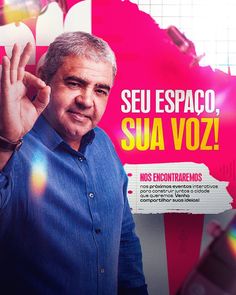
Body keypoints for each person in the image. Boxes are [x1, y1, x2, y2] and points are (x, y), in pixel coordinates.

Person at [0, 32, 148, 295]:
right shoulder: (12, 148)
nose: (87, 100)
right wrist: (6, 141)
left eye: (100, 90)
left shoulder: (103, 144)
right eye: (75, 83)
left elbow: (124, 238)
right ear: (44, 78)